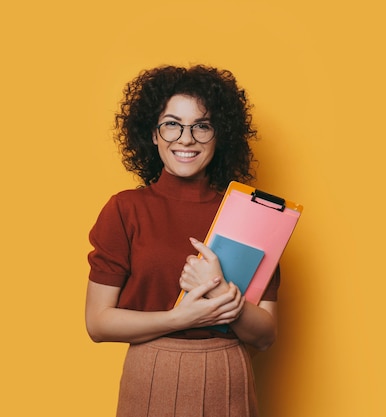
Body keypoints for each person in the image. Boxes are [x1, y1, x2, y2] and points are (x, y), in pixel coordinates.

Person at [85, 65, 279, 417]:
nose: (186, 139)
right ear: (154, 135)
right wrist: (179, 318)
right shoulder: (125, 209)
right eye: (172, 124)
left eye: (201, 126)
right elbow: (98, 323)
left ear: (220, 136)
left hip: (228, 377)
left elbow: (264, 336)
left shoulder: (249, 216)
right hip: (150, 374)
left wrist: (220, 291)